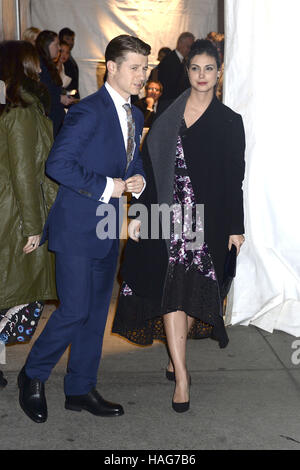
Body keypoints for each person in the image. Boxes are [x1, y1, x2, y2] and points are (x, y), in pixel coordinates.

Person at [17, 34, 150, 423]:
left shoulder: (135, 114)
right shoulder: (88, 111)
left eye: (145, 68)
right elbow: (58, 165)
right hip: (77, 227)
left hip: (107, 227)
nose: (142, 75)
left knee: (94, 314)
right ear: (112, 67)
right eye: (135, 67)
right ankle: (33, 374)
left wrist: (136, 179)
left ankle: (80, 388)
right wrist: (112, 186)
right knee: (74, 311)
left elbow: (131, 163)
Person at [112, 39, 246, 413]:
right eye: (195, 68)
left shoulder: (229, 122)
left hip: (206, 222)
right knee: (172, 290)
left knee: (189, 292)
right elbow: (147, 166)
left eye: (208, 69)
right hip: (166, 217)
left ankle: (175, 356)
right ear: (186, 71)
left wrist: (236, 227)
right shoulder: (169, 110)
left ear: (218, 73)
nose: (201, 76)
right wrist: (138, 214)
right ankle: (183, 377)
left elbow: (234, 179)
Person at [0, 40, 58, 386]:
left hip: (10, 209)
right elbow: (24, 173)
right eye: (36, 63)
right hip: (16, 216)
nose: (41, 68)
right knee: (15, 296)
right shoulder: (22, 112)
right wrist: (34, 228)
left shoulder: (13, 108)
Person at [36, 30, 74, 137]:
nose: (59, 48)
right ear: (46, 45)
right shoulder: (40, 66)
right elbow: (41, 93)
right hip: (49, 121)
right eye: (56, 44)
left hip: (55, 119)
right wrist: (59, 98)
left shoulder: (48, 64)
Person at [157, 32, 194, 100]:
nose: (190, 50)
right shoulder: (169, 61)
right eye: (188, 47)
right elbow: (169, 87)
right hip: (169, 103)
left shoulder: (183, 61)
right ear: (180, 44)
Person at [58, 27, 80, 99]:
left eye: (72, 39)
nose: (70, 42)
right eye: (67, 39)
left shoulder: (70, 59)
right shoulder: (53, 64)